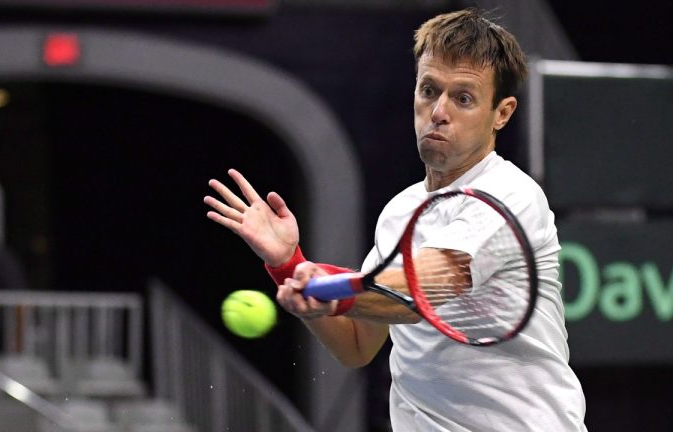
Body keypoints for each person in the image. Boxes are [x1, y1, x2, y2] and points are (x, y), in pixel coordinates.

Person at [204, 9, 587, 431]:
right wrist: (289, 266)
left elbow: (422, 289)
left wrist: (329, 289)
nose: (439, 111)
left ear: (502, 112)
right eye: (429, 90)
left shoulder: (509, 197)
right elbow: (356, 344)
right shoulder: (400, 211)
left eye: (463, 98)